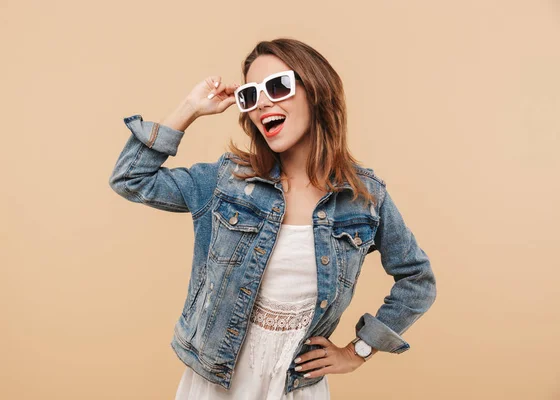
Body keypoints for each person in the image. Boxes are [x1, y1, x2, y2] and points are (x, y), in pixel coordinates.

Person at [109, 38, 437, 399]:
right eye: (250, 95)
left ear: (315, 91)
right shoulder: (227, 181)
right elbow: (130, 178)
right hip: (216, 384)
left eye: (278, 86)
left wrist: (358, 351)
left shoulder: (363, 199)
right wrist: (190, 108)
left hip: (296, 388)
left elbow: (416, 280)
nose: (263, 102)